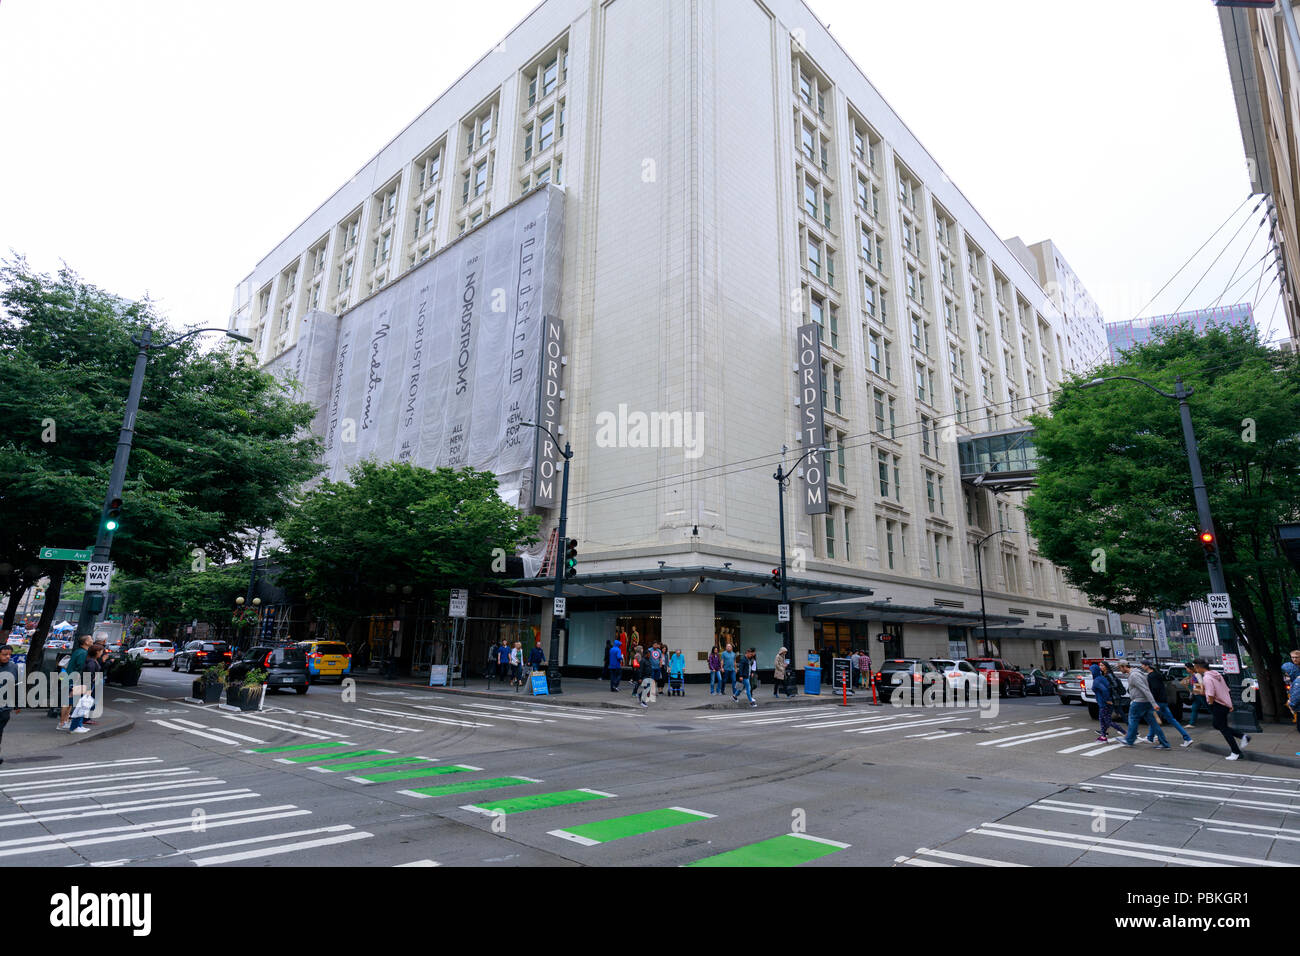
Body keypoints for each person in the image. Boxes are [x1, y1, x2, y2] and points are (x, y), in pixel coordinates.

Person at [1193, 658, 1250, 760]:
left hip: (1217, 704)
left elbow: (1211, 694)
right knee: (1217, 725)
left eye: (1195, 667)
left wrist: (1210, 703)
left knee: (1223, 728)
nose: (1195, 669)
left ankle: (1236, 752)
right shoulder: (1217, 675)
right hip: (1223, 704)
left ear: (1199, 667)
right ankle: (1242, 737)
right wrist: (1229, 703)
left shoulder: (1207, 678)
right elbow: (1225, 690)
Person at [1142, 660, 1193, 748]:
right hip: (1163, 701)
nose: (1142, 666)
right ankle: (1187, 738)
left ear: (1147, 666)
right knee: (1171, 720)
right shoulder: (1157, 674)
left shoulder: (1151, 676)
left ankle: (1153, 738)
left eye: (1143, 665)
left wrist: (1152, 702)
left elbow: (1154, 689)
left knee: (1153, 720)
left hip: (1157, 701)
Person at [1118, 661, 1169, 749]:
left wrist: (1154, 703)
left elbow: (1145, 689)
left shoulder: (1134, 675)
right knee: (1153, 723)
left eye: (1120, 668)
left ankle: (1129, 740)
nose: (1119, 670)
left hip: (1139, 702)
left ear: (1124, 667)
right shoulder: (1139, 674)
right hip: (1145, 702)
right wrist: (1152, 702)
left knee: (1133, 720)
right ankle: (1164, 744)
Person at [58, 635, 91, 731]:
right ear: (86, 642)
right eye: (90, 639)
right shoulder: (83, 653)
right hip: (73, 680)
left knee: (69, 702)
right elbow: (80, 667)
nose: (92, 640)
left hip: (70, 678)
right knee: (68, 703)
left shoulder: (78, 651)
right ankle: (62, 723)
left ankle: (64, 721)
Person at [69, 645, 101, 735]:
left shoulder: (90, 660)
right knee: (82, 706)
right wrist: (89, 688)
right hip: (87, 686)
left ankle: (78, 725)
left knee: (83, 706)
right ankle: (75, 726)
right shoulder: (91, 662)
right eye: (101, 651)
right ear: (97, 652)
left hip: (86, 685)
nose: (102, 653)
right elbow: (88, 675)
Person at [1090, 662, 1121, 742]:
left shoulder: (1098, 679)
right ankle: (1103, 736)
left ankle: (1125, 733)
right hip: (1103, 703)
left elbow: (1104, 690)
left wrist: (1107, 700)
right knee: (1102, 719)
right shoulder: (1101, 677)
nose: (1090, 672)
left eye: (1091, 670)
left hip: (1104, 703)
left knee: (1107, 721)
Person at [0, 644, 19, 765]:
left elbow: (16, 685)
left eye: (9, 655)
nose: (7, 657)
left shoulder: (13, 667)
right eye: (4, 655)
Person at [1182, 662, 1204, 728]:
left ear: (1190, 668)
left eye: (1186, 668)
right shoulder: (1193, 675)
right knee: (1194, 708)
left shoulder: (1197, 675)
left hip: (1200, 694)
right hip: (1196, 694)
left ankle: (1219, 720)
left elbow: (1201, 683)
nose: (1186, 670)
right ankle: (1192, 723)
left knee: (1209, 708)